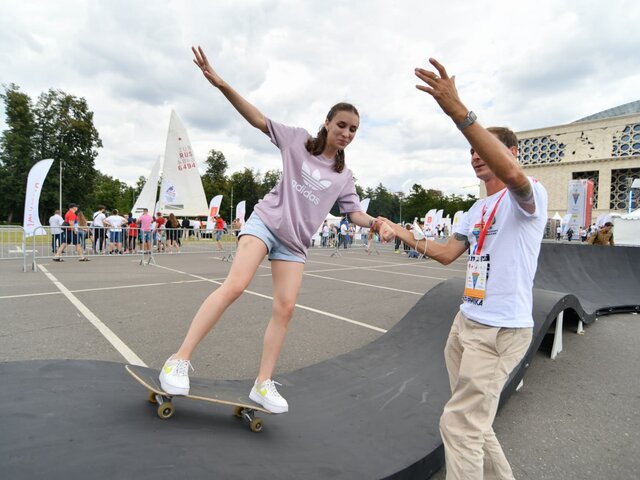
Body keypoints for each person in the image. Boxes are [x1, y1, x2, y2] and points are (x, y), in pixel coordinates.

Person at [158, 45, 394, 414]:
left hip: (295, 244)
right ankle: (179, 359)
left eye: (354, 129)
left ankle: (262, 384)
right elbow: (257, 119)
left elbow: (353, 214)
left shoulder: (343, 175)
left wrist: (377, 222)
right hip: (265, 223)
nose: (347, 133)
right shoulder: (298, 140)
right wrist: (221, 84)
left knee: (285, 309)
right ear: (328, 123)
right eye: (342, 125)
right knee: (235, 285)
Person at [379, 58, 548, 479]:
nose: (475, 156)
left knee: (458, 426)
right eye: (471, 151)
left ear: (510, 153)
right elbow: (443, 254)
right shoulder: (475, 210)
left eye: (482, 148)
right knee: (474, 423)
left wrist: (459, 112)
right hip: (465, 324)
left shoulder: (529, 197)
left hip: (499, 332)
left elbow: (513, 175)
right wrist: (399, 230)